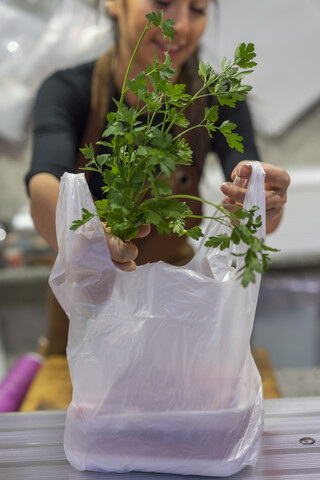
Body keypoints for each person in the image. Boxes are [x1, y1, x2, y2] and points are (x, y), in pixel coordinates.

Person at [26, 0, 290, 273]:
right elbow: (45, 183)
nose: (182, 26)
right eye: (163, 2)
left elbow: (254, 201)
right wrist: (84, 242)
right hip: (84, 290)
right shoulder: (68, 91)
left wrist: (263, 202)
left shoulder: (217, 97)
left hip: (173, 290)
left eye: (197, 10)